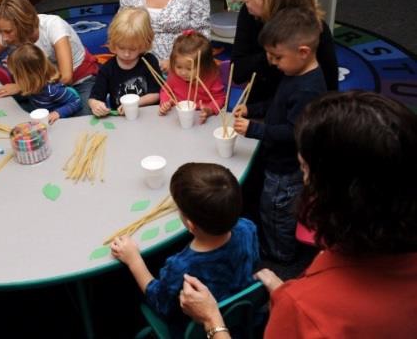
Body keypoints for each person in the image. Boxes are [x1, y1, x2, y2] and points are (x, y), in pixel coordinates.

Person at [179, 91, 417, 339]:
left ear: (332, 193)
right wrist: (282, 289)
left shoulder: (304, 311)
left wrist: (212, 319)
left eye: (303, 168)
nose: (302, 181)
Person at [110, 163, 259, 338]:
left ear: (190, 224)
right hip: (241, 313)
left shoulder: (181, 267)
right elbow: (255, 262)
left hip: (195, 330)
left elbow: (160, 303)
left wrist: (134, 260)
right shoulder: (248, 228)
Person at [233, 8, 327, 263]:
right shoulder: (294, 73)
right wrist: (253, 109)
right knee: (272, 207)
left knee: (277, 211)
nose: (272, 63)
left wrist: (254, 129)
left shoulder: (308, 89)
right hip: (277, 161)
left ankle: (280, 254)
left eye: (277, 57)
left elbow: (294, 132)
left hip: (285, 170)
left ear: (304, 52)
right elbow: (277, 103)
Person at [232, 0, 338, 104]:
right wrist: (272, 54)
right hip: (259, 104)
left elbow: (330, 92)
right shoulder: (250, 14)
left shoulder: (315, 31)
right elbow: (237, 72)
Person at [0, 0, 99, 115]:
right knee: (12, 110)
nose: (5, 38)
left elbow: (66, 78)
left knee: (84, 116)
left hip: (79, 79)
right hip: (39, 84)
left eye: (8, 32)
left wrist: (21, 87)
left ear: (24, 23)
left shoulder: (53, 26)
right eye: (1, 32)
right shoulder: (8, 35)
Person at [88, 7, 161, 117]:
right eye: (121, 48)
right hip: (121, 119)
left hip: (149, 116)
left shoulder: (149, 61)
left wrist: (135, 103)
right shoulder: (107, 69)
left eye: (133, 49)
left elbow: (157, 94)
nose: (126, 54)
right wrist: (95, 105)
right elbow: (94, 98)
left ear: (143, 45)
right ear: (113, 43)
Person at [158, 30, 226, 123]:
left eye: (189, 69)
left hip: (200, 117)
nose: (183, 72)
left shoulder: (211, 77)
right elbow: (166, 91)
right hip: (177, 116)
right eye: (178, 66)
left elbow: (220, 98)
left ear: (204, 66)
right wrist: (165, 102)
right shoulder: (174, 74)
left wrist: (209, 110)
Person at [6, 44, 83, 124]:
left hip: (59, 121)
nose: (14, 78)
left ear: (28, 76)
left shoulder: (52, 90)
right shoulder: (31, 85)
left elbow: (76, 102)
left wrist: (58, 113)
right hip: (40, 113)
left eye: (15, 75)